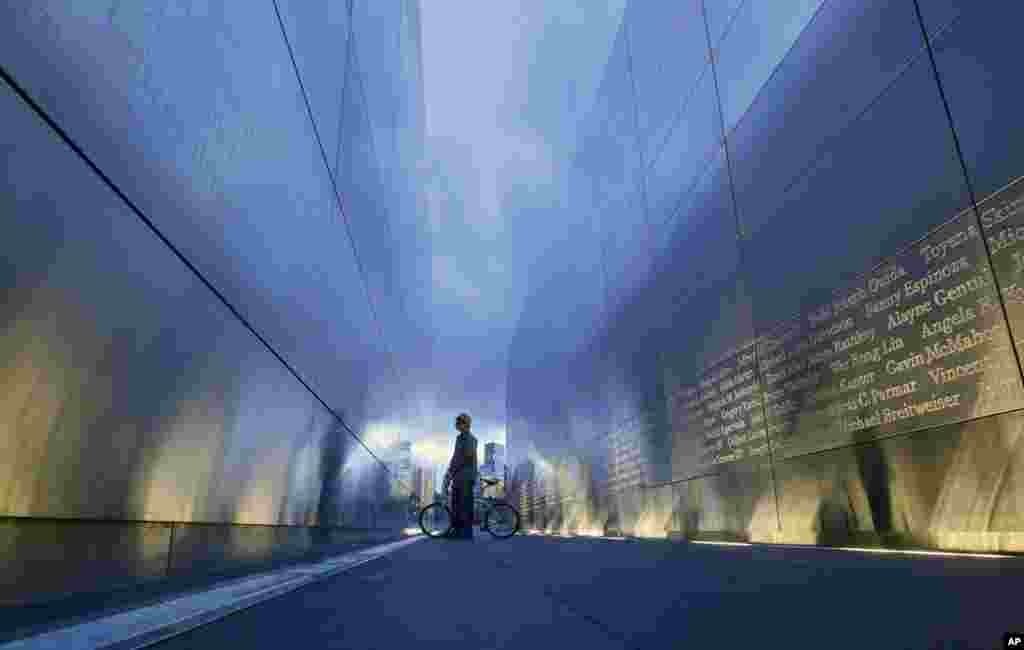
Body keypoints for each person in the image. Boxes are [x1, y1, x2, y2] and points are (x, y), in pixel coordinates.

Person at [442, 413, 478, 540]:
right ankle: (456, 530)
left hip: (466, 477)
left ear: (466, 424)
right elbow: (456, 456)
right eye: (457, 422)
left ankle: (466, 533)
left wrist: (453, 470)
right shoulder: (459, 438)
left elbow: (466, 457)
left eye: (459, 422)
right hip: (458, 476)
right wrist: (450, 470)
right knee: (456, 504)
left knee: (465, 505)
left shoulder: (471, 439)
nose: (457, 425)